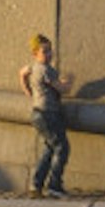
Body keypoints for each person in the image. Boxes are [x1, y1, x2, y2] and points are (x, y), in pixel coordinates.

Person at [20, 35, 70, 198]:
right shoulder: (45, 70)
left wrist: (28, 91)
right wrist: (69, 81)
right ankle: (54, 185)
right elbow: (62, 89)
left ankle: (36, 183)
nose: (49, 54)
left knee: (50, 148)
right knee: (62, 147)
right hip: (48, 113)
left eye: (50, 50)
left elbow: (22, 73)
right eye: (45, 51)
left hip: (38, 112)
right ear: (35, 53)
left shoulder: (33, 68)